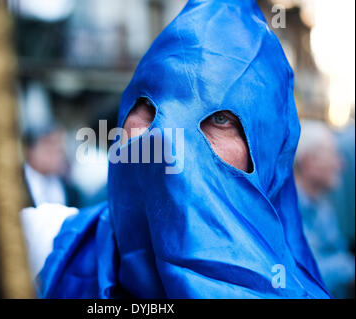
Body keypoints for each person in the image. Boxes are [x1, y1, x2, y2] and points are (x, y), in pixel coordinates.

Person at [24, 0, 332, 298]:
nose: (166, 139)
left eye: (220, 118)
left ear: (267, 154)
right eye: (147, 105)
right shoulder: (39, 247)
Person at [294, 120, 355, 298]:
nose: (341, 165)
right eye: (333, 156)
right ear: (309, 162)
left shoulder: (322, 206)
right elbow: (304, 274)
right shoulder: (288, 212)